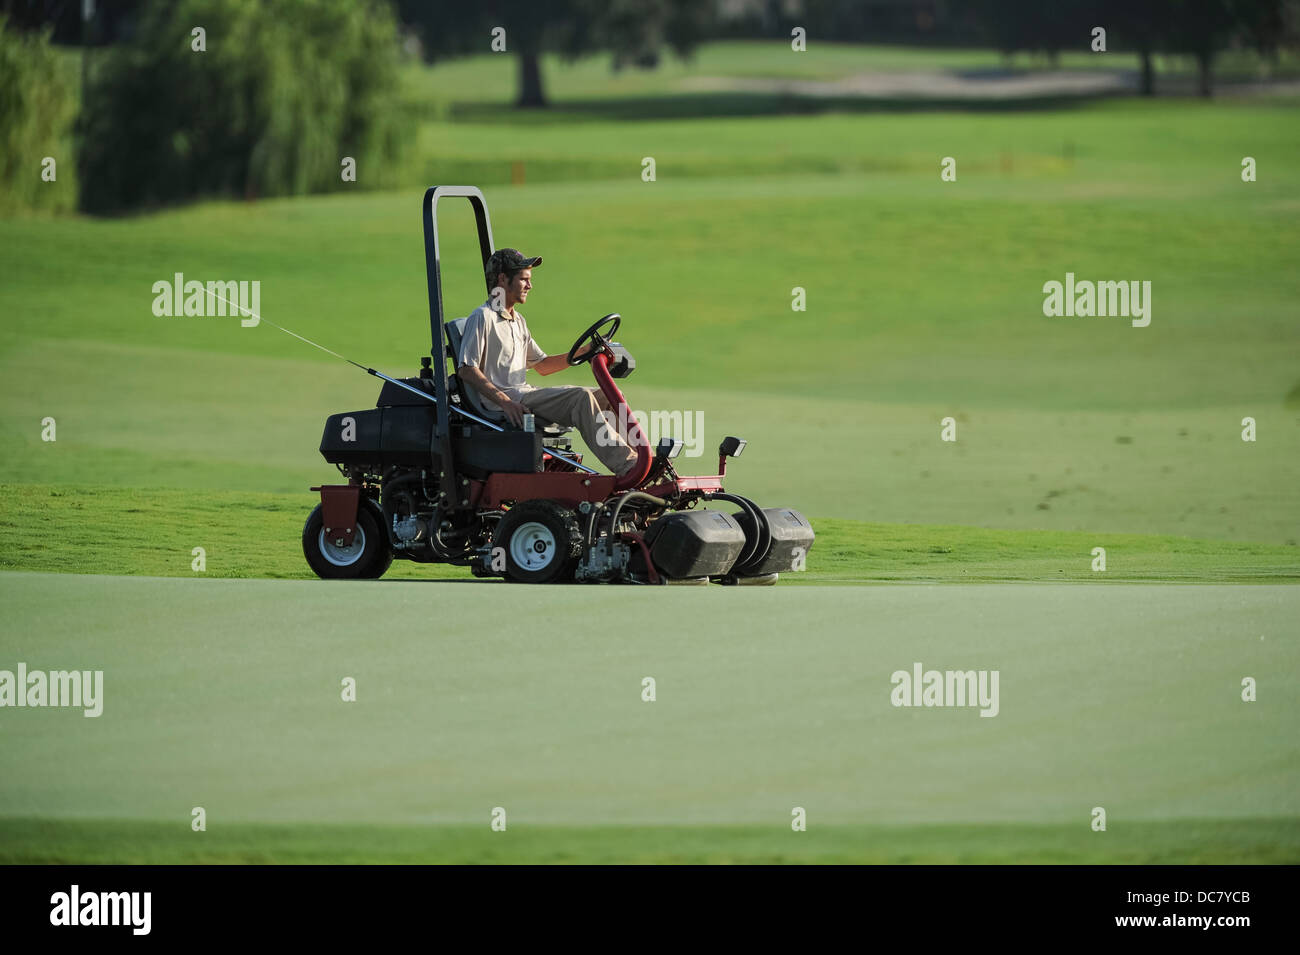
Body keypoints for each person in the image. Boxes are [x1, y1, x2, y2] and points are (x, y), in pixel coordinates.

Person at [456, 248, 639, 477]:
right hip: (509, 401)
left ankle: (643, 461)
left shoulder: (517, 321)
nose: (529, 286)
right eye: (524, 279)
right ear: (502, 279)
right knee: (580, 398)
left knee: (609, 395)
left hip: (525, 394)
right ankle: (628, 467)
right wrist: (505, 402)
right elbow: (466, 369)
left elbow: (542, 365)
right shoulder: (483, 317)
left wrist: (586, 350)